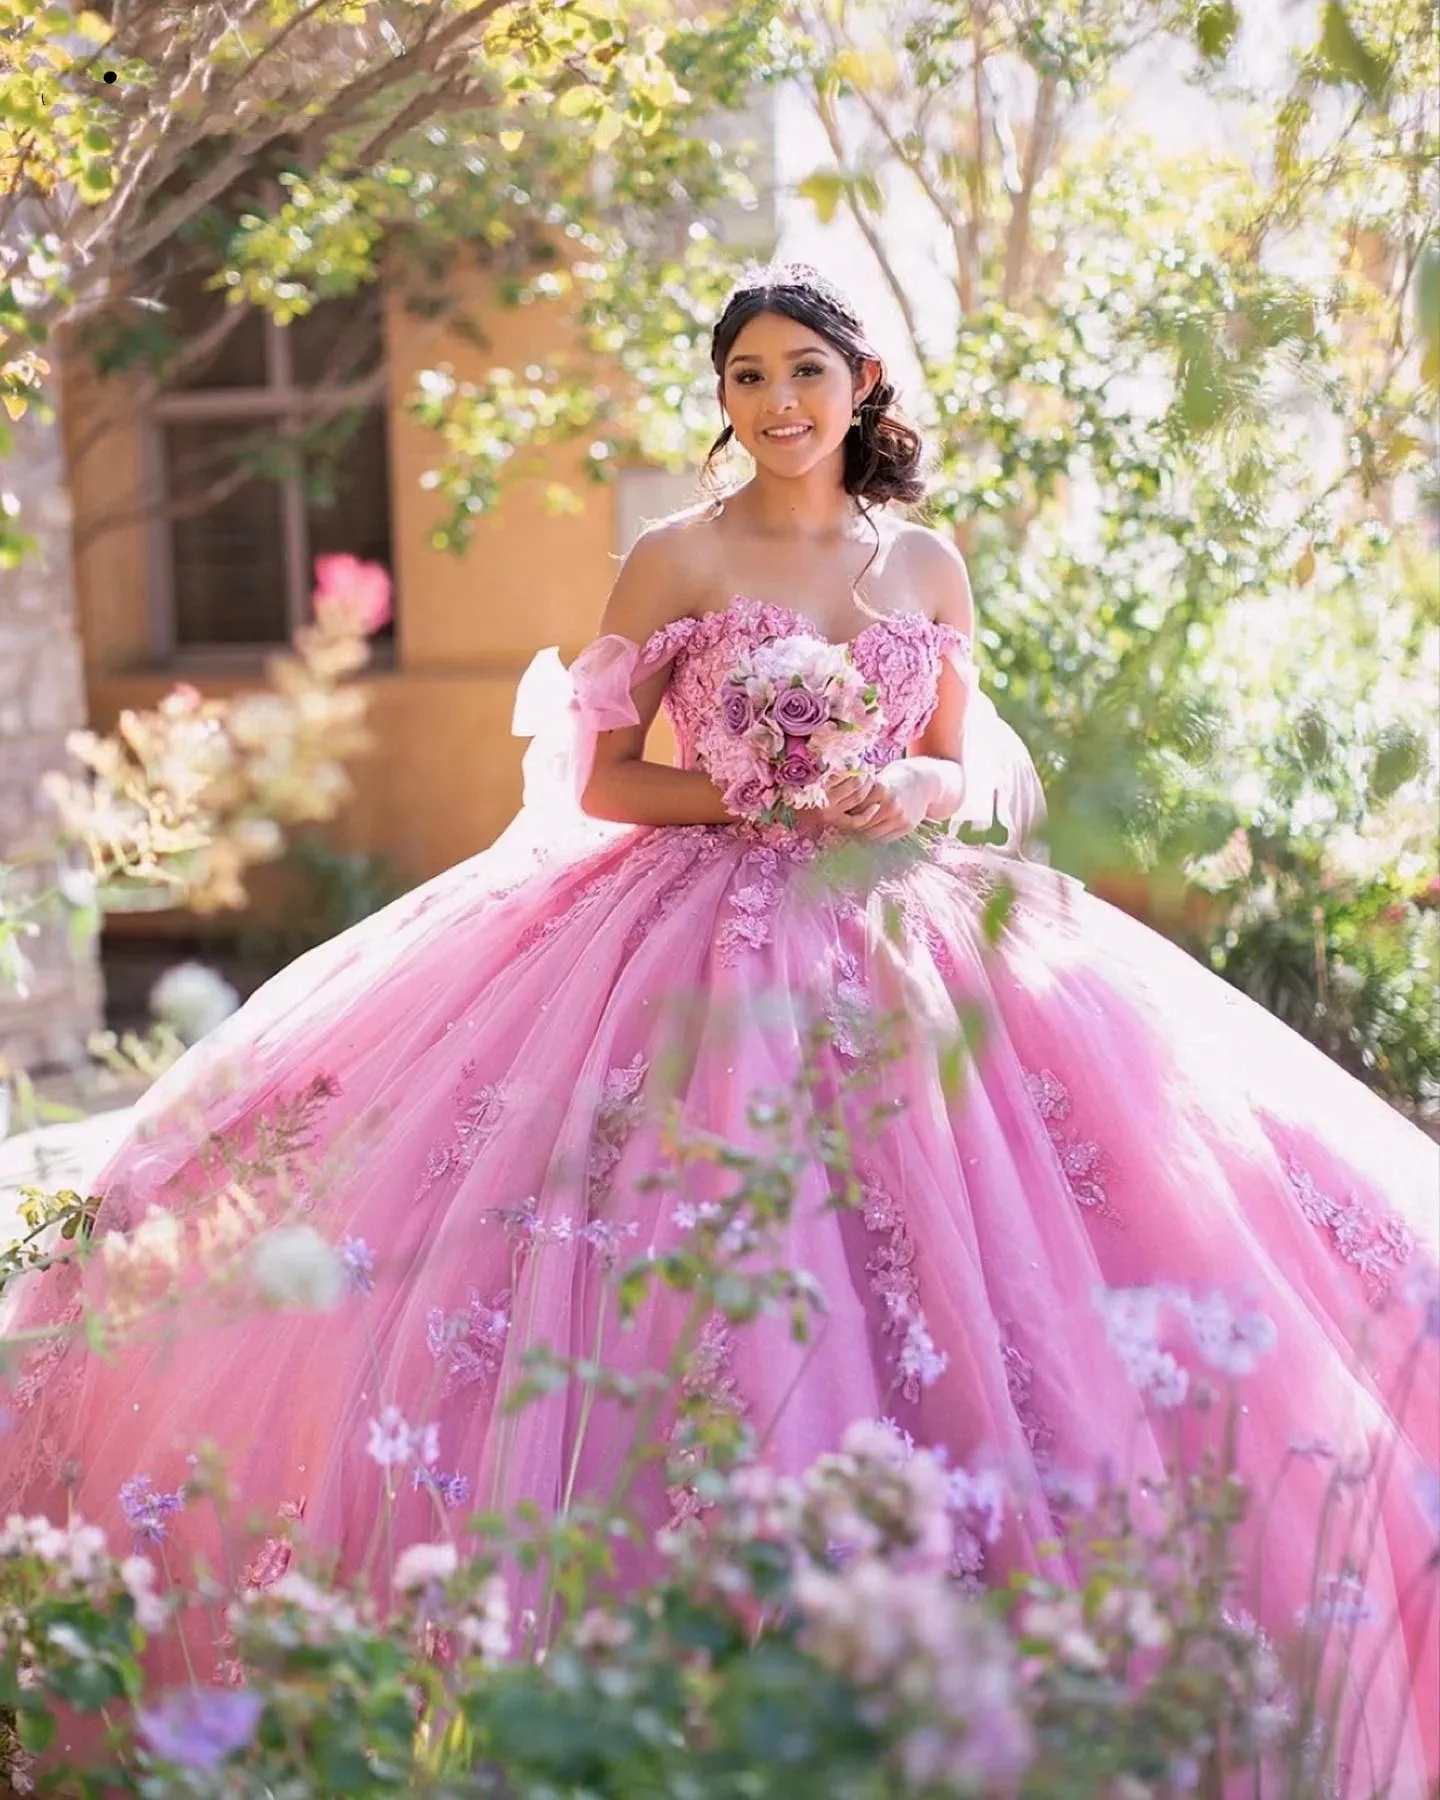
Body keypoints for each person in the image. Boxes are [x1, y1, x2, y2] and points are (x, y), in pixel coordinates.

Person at [2, 261, 1436, 1793]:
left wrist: (913, 793)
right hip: (691, 925)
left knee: (996, 1225)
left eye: (805, 371)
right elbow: (605, 776)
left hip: (897, 921)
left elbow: (961, 764)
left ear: (864, 382)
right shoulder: (675, 559)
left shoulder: (927, 564)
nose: (777, 404)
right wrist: (757, 789)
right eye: (747, 377)